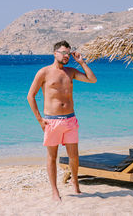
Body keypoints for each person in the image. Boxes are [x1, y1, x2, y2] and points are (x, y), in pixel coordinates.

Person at [27, 40, 97, 201]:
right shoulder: (43, 72)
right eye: (64, 53)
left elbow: (92, 79)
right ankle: (54, 191)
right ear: (55, 53)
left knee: (74, 156)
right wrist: (39, 120)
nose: (67, 56)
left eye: (68, 53)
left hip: (70, 120)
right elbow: (30, 96)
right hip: (51, 121)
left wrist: (81, 62)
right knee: (52, 157)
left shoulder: (71, 72)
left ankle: (75, 183)